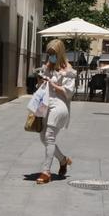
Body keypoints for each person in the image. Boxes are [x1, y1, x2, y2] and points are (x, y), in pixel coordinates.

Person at [35, 39, 74, 185]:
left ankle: (46, 172)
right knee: (43, 137)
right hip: (45, 104)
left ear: (60, 53)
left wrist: (54, 84)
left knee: (49, 137)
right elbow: (41, 87)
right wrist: (41, 81)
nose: (51, 56)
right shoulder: (47, 67)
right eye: (49, 53)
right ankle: (63, 160)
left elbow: (69, 92)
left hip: (59, 105)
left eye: (53, 54)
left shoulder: (67, 70)